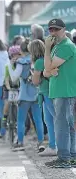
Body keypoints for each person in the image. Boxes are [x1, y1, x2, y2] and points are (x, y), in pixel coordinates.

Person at [43, 18, 76, 169]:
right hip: (60, 91)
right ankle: (70, 156)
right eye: (51, 30)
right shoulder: (59, 46)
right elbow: (45, 72)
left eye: (56, 29)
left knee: (62, 125)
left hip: (65, 91)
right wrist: (49, 70)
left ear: (63, 29)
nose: (53, 32)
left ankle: (64, 157)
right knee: (67, 125)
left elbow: (48, 66)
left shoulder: (66, 46)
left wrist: (47, 49)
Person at [7, 39, 44, 152]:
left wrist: (10, 65)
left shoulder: (21, 62)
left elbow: (14, 78)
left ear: (21, 51)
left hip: (24, 94)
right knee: (38, 119)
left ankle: (20, 142)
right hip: (36, 93)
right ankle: (41, 142)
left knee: (21, 120)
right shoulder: (35, 61)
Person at [29, 39, 57, 156]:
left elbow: (35, 81)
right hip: (50, 92)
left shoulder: (38, 63)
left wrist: (32, 76)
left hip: (45, 92)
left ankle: (55, 146)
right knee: (51, 120)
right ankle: (53, 145)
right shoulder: (46, 59)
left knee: (52, 120)